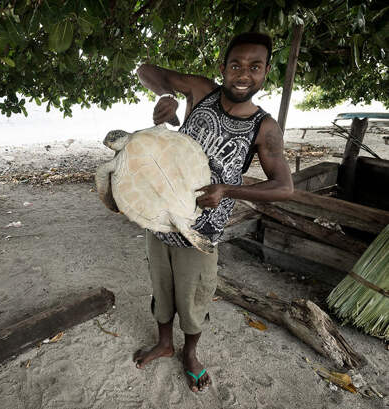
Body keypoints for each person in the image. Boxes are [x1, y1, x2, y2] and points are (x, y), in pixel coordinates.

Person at [133, 32, 294, 392]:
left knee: (194, 296)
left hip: (202, 233)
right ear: (223, 68)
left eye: (255, 67)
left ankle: (190, 354)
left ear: (266, 72)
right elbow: (145, 70)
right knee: (161, 287)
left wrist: (228, 191)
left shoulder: (264, 127)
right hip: (160, 217)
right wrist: (166, 98)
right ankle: (163, 343)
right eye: (236, 65)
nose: (243, 74)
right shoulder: (200, 91)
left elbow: (284, 186)